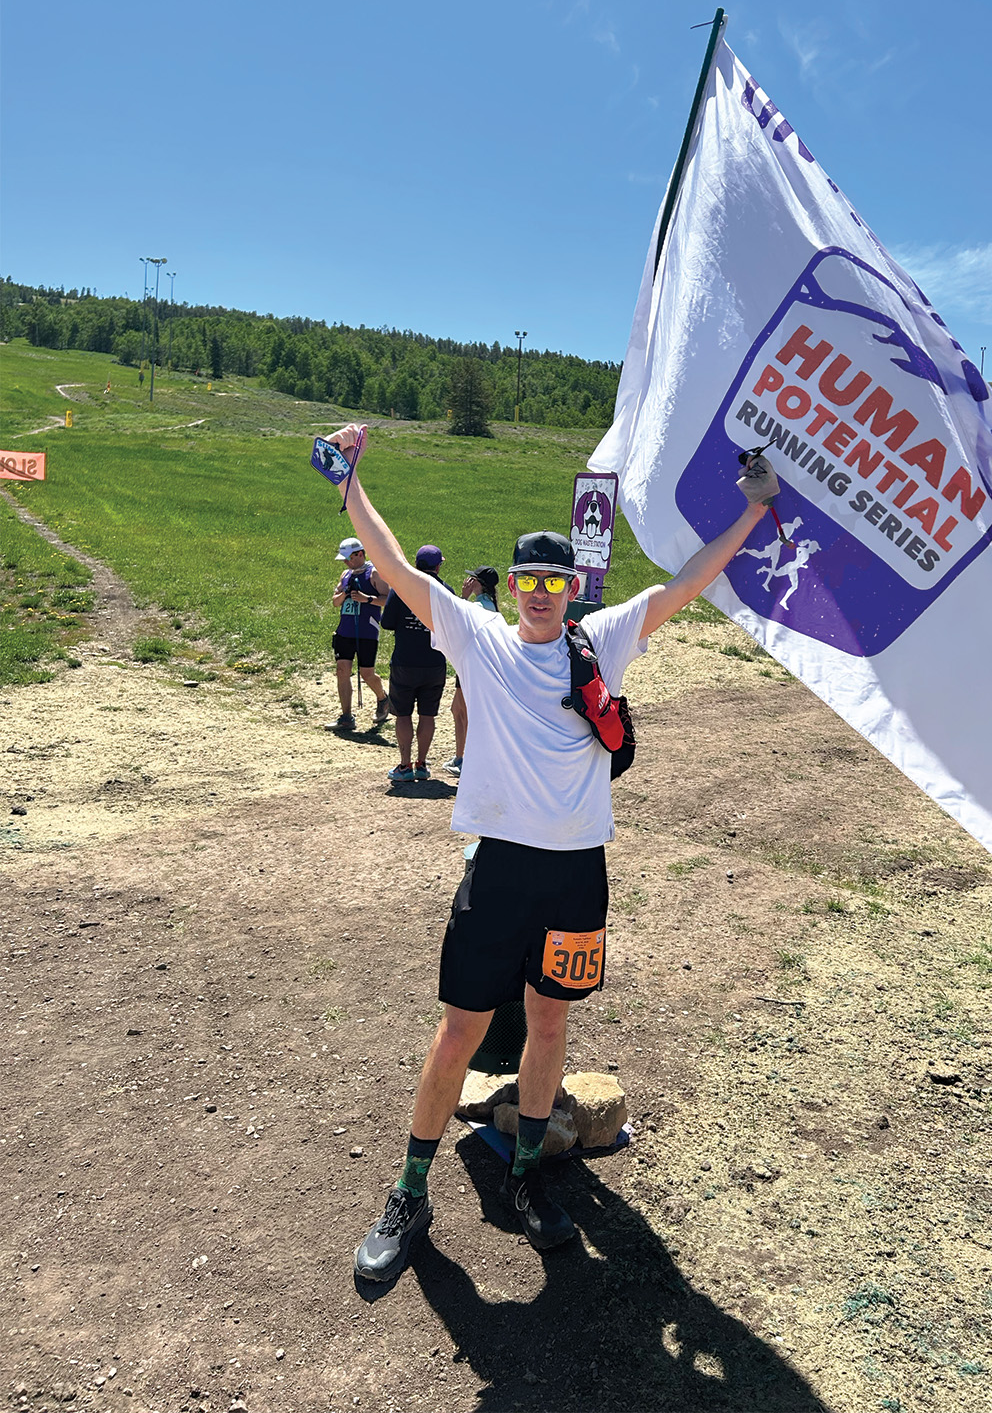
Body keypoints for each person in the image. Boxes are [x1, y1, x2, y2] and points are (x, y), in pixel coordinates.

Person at [320, 422, 779, 1283]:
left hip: (577, 876)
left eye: (553, 581)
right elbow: (391, 565)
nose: (538, 593)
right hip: (498, 871)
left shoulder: (601, 639)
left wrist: (755, 512)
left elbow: (690, 580)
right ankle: (410, 1191)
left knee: (550, 1022)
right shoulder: (478, 637)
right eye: (527, 579)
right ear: (512, 584)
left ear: (571, 587)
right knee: (459, 1029)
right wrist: (349, 482)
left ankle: (529, 1175)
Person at [381, 544, 448, 783]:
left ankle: (404, 765)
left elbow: (387, 622)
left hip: (404, 662)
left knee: (403, 715)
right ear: (438, 566)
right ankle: (421, 763)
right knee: (428, 715)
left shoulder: (401, 588)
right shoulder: (445, 590)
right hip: (434, 662)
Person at [327, 537, 389, 732]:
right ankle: (346, 716)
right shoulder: (345, 574)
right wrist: (344, 594)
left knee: (367, 673)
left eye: (349, 558)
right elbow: (335, 602)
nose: (346, 562)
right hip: (345, 630)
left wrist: (366, 599)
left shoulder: (375, 573)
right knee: (342, 671)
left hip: (366, 631)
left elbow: (387, 600)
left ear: (360, 554)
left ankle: (383, 699)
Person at [444, 566, 500, 777]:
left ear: (480, 584)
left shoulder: (479, 605)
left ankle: (463, 760)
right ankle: (463, 757)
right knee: (460, 710)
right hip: (477, 664)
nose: (468, 581)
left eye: (473, 579)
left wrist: (463, 598)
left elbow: (458, 623)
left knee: (460, 711)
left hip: (471, 664)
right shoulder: (489, 604)